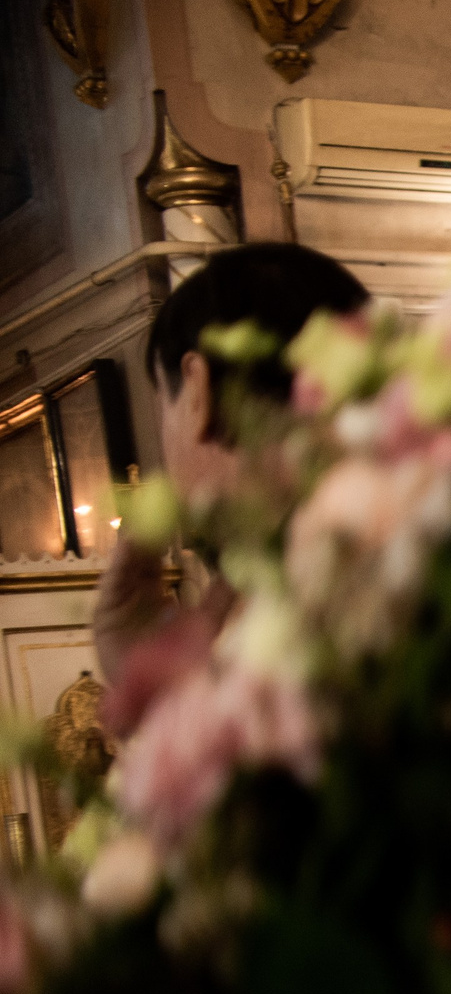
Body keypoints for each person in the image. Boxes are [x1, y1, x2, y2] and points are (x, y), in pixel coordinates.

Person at [95, 243, 369, 688]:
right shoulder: (435, 519)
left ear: (196, 389)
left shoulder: (302, 598)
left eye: (164, 406)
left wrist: (158, 694)